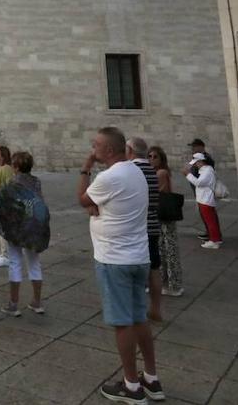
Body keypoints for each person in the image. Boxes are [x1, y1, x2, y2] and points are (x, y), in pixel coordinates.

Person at [79, 126, 163, 403]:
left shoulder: (109, 177)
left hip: (114, 259)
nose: (93, 148)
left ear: (110, 150)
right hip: (138, 256)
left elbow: (83, 200)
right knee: (139, 318)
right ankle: (151, 379)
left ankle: (131, 386)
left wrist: (85, 169)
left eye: (96, 145)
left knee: (122, 323)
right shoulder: (136, 172)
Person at [0, 150, 50, 316]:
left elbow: (2, 205)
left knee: (15, 262)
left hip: (17, 228)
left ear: (16, 166)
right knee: (34, 263)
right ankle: (37, 301)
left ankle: (13, 304)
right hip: (35, 227)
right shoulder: (36, 182)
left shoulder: (12, 184)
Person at [127, 137, 163, 321]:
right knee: (154, 269)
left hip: (135, 228)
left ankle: (136, 310)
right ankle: (156, 308)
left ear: (130, 150)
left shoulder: (131, 171)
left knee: (132, 270)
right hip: (152, 226)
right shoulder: (153, 170)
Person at [147, 146, 183, 297]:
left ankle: (171, 285)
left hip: (162, 217)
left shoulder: (160, 173)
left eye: (155, 156)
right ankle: (166, 284)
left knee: (167, 251)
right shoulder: (159, 172)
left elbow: (156, 192)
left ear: (161, 159)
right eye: (149, 156)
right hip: (162, 216)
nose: (151, 159)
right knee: (162, 250)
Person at [186, 153, 222, 249]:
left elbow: (199, 183)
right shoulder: (206, 170)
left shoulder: (207, 171)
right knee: (211, 220)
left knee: (210, 221)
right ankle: (216, 238)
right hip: (205, 199)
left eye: (196, 163)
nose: (195, 165)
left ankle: (214, 241)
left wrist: (188, 174)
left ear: (200, 161)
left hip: (206, 200)